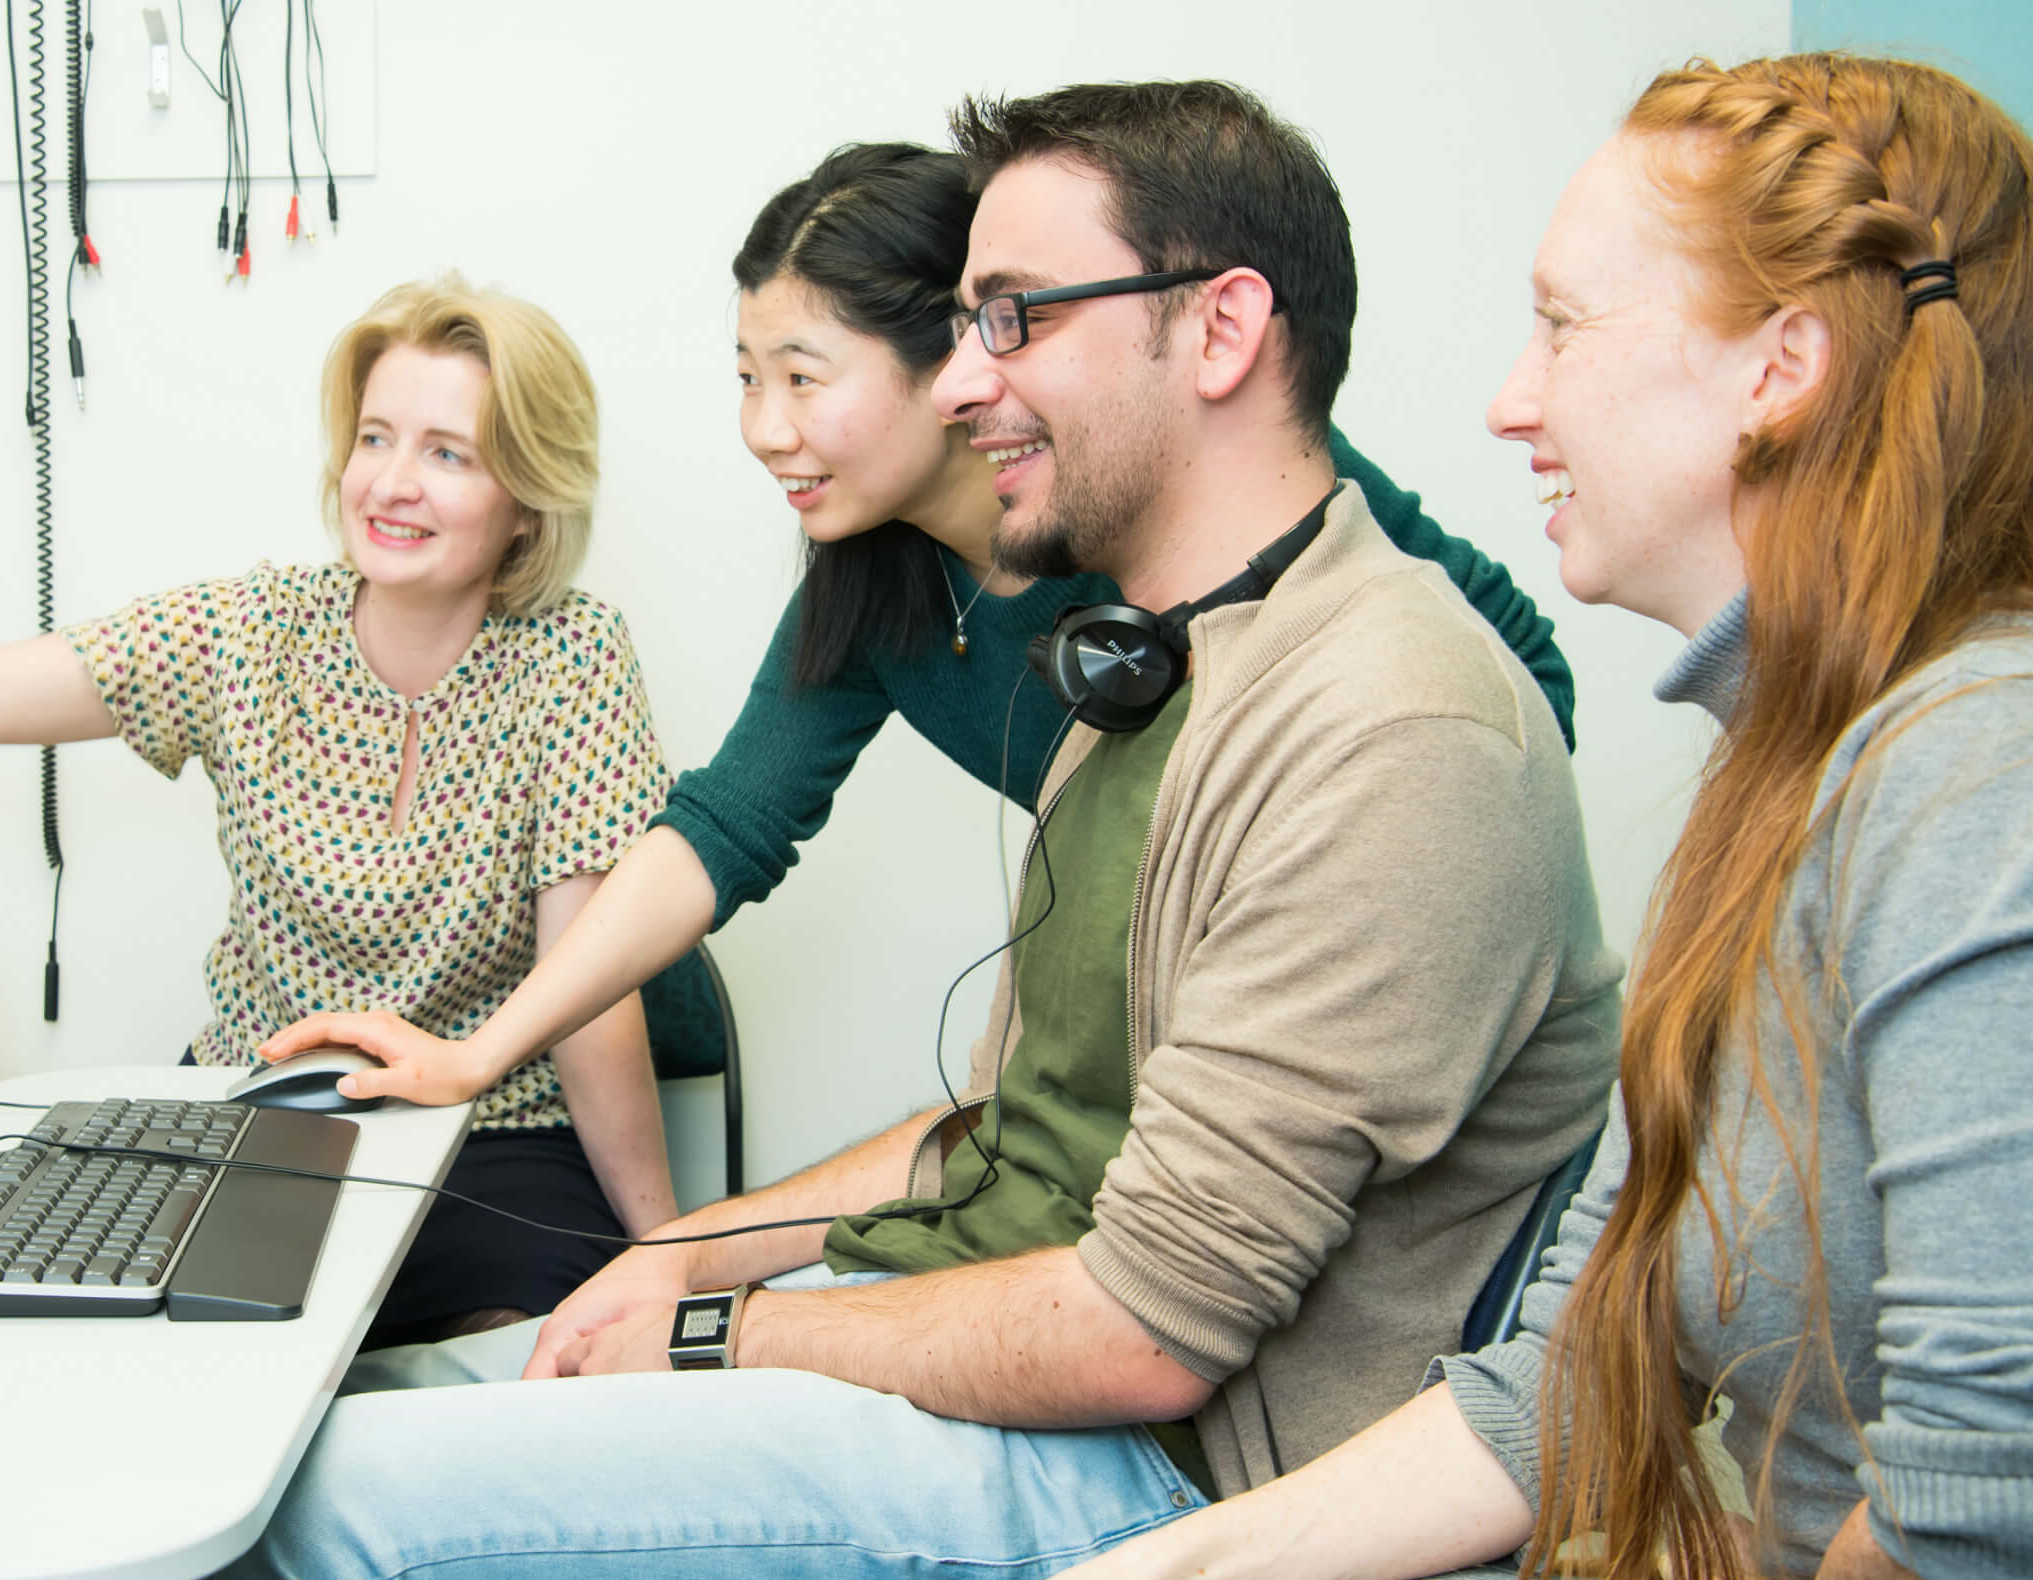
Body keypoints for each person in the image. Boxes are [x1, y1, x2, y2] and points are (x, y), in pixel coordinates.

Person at [53, 80, 1622, 1580]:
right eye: (954, 330)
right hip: (1015, 1323)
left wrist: (724, 1329)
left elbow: (1147, 1330)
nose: (965, 382)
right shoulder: (1118, 689)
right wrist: (682, 1259)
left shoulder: (1377, 720)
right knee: (282, 1459)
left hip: (1161, 1461)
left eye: (1006, 323)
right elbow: (961, 1097)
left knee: (350, 1521)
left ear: (1224, 331)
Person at [890, 53, 2033, 1580]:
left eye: (1564, 328)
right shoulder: (1784, 782)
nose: (1507, 400)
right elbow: (1558, 1380)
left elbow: (2013, 1574)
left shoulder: (2010, 771)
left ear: (1783, 368)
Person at [256, 140, 1578, 1133]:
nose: (763, 427)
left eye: (800, 378)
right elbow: (720, 829)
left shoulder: (1175, 489)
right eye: (744, 378)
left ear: (950, 352)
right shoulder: (876, 585)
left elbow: (1518, 672)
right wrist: (482, 1053)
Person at [0, 275, 679, 1345]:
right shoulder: (247, 633)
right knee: (178, 1365)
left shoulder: (570, 660)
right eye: (373, 439)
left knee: (548, 1357)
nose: (391, 483)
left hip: (486, 1132)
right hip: (276, 1119)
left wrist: (668, 1258)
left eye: (447, 452)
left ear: (525, 494)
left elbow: (581, 992)